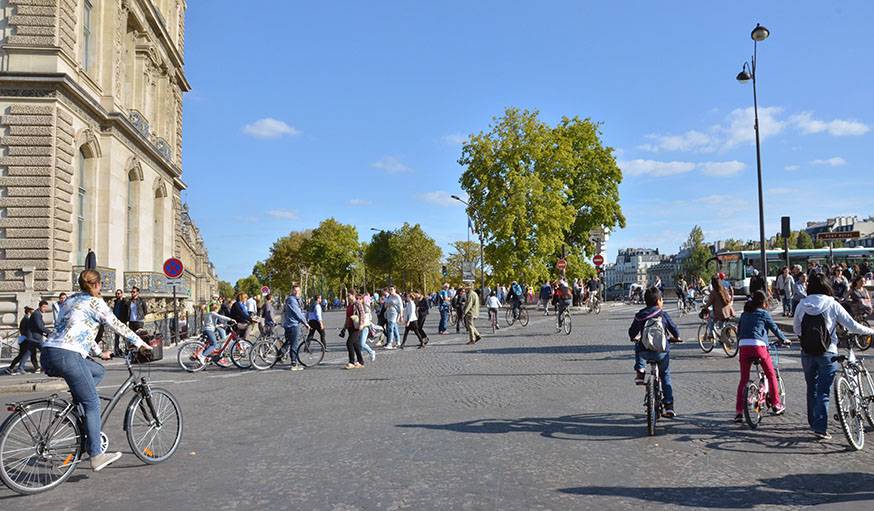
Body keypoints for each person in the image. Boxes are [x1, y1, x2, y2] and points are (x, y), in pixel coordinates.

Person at [40, 270, 151, 471]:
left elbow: (78, 328)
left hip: (48, 352)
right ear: (98, 285)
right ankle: (96, 454)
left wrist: (99, 352)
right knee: (92, 402)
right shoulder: (96, 303)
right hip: (68, 355)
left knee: (98, 371)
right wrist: (142, 344)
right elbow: (118, 325)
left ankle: (77, 410)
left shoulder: (71, 299)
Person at [793, 273, 874, 440]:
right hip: (828, 352)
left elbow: (796, 329)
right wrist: (870, 331)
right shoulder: (832, 303)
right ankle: (820, 428)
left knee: (812, 389)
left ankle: (813, 422)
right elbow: (852, 325)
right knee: (824, 391)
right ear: (826, 286)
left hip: (807, 352)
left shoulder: (802, 304)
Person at [734, 291, 789, 422]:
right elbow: (775, 329)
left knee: (744, 379)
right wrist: (784, 340)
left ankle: (738, 412)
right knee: (771, 374)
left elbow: (739, 330)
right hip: (759, 347)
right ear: (764, 303)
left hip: (743, 346)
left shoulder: (744, 314)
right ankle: (776, 404)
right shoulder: (764, 314)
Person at [628, 287, 681, 418]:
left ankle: (640, 370)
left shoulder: (640, 315)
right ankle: (669, 407)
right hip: (662, 352)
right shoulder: (663, 314)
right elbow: (675, 330)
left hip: (645, 352)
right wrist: (676, 338)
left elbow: (631, 333)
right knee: (665, 375)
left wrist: (635, 337)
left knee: (638, 345)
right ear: (658, 301)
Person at [282, 285, 309, 371]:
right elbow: (297, 313)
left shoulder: (294, 299)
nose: (297, 292)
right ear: (292, 291)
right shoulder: (292, 300)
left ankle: (279, 356)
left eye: (298, 291)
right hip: (293, 325)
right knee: (294, 344)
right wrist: (305, 323)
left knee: (288, 342)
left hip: (289, 324)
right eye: (295, 291)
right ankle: (294, 363)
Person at [4, 307, 34, 375]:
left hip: (23, 338)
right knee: (26, 353)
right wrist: (30, 338)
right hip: (26, 339)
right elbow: (28, 331)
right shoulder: (27, 319)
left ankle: (11, 368)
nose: (33, 313)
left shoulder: (25, 319)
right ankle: (20, 368)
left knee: (21, 355)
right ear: (29, 312)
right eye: (32, 311)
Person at [26, 300, 49, 373]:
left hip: (33, 336)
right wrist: (49, 332)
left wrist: (45, 333)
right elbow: (39, 326)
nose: (45, 309)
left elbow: (38, 326)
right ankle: (44, 366)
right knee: (44, 351)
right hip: (35, 337)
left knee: (30, 353)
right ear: (40, 307)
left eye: (46, 307)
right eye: (44, 307)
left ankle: (36, 367)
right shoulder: (37, 314)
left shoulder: (37, 313)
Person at [344, 290, 365, 369]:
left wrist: (361, 324)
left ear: (353, 295)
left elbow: (362, 313)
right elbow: (347, 316)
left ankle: (351, 362)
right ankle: (361, 361)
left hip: (356, 326)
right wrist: (344, 327)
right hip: (350, 326)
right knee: (355, 345)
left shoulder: (358, 303)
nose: (347, 297)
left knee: (349, 343)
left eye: (348, 295)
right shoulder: (349, 304)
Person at [358, 292, 376, 362]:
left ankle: (371, 352)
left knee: (362, 343)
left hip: (365, 326)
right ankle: (360, 359)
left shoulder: (365, 306)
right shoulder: (358, 305)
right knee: (359, 344)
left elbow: (368, 316)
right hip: (358, 326)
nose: (358, 300)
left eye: (359, 299)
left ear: (362, 299)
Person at [111, 289, 129, 355]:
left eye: (119, 293)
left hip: (122, 322)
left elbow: (127, 311)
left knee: (124, 336)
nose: (117, 295)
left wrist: (126, 319)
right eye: (116, 293)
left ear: (121, 294)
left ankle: (127, 349)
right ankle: (116, 350)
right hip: (116, 322)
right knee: (116, 337)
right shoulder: (116, 302)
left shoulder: (125, 302)